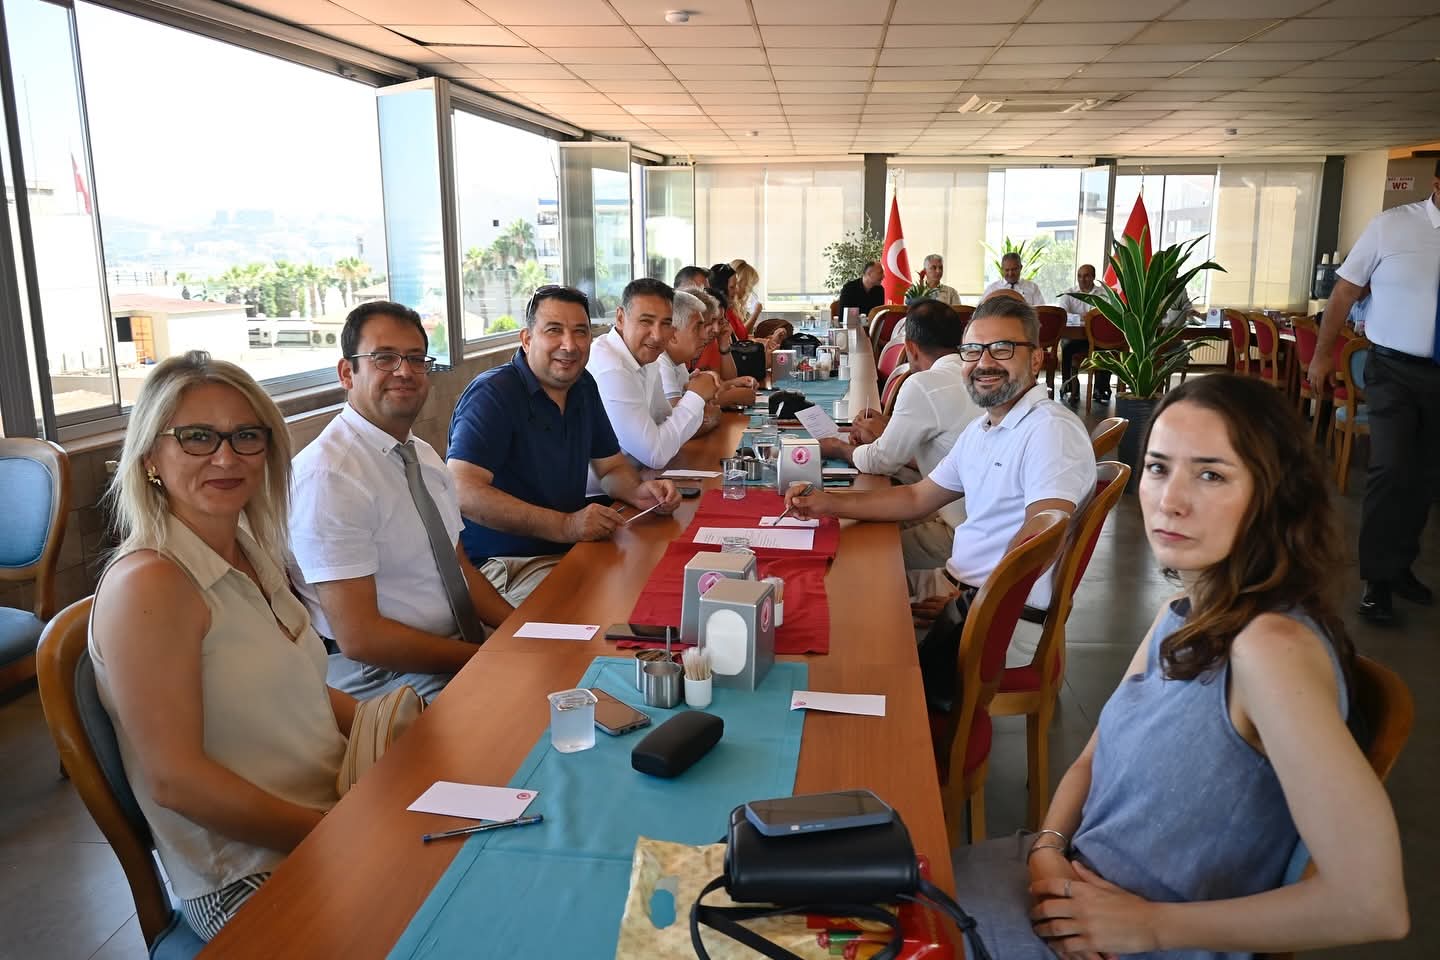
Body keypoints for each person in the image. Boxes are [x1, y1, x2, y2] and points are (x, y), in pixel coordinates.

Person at [951, 375, 1408, 959]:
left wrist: (1150, 925)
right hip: (1060, 882)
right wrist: (1046, 848)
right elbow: (1094, 756)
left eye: (1211, 475)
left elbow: (1372, 901)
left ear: (1276, 495)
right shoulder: (1182, 613)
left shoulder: (1271, 649)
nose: (1171, 500)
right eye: (1158, 468)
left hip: (1127, 941)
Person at [90, 351, 350, 941]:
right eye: (197, 437)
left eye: (245, 436)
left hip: (329, 809)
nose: (227, 458)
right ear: (150, 456)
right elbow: (176, 782)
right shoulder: (150, 586)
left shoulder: (247, 547)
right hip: (248, 873)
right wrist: (339, 836)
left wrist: (404, 731)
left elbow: (298, 686)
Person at [783, 297, 1094, 704]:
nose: (984, 363)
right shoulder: (985, 428)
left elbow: (1043, 532)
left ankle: (891, 733)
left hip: (996, 622)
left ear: (1036, 359)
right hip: (964, 592)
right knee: (832, 591)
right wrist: (826, 503)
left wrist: (972, 602)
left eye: (1002, 349)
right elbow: (917, 496)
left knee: (839, 628)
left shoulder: (1049, 430)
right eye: (973, 350)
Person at [288, 301, 513, 703]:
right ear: (347, 373)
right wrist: (487, 659)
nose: (404, 371)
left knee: (569, 671)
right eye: (384, 358)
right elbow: (362, 638)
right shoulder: (329, 477)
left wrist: (522, 633)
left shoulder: (420, 454)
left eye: (415, 358)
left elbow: (459, 567)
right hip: (385, 673)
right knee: (526, 715)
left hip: (457, 646)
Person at [446, 285, 681, 605]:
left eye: (580, 332)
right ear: (527, 339)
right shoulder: (493, 395)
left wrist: (640, 492)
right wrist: (567, 525)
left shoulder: (582, 386)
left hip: (570, 549)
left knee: (659, 584)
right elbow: (462, 490)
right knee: (609, 612)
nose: (569, 345)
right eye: (554, 330)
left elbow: (610, 467)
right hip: (506, 566)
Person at [1309, 160, 1440, 626]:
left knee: (1425, 477)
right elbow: (1344, 294)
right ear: (1437, 183)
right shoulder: (1392, 226)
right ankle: (1377, 581)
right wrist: (1322, 355)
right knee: (1391, 467)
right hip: (1394, 371)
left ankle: (1400, 567)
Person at [817, 299, 980, 571]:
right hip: (954, 507)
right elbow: (944, 442)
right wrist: (890, 426)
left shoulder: (924, 383)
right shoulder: (975, 375)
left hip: (959, 531)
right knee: (862, 521)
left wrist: (838, 448)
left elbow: (881, 461)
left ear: (911, 348)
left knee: (855, 549)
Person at [586, 279, 719, 494]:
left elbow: (665, 423)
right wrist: (695, 397)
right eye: (646, 321)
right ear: (620, 318)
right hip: (600, 498)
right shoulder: (610, 367)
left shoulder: (647, 357)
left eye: (666, 323)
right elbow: (656, 453)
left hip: (638, 484)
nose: (657, 335)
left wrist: (692, 399)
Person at [658, 289, 723, 438]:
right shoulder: (661, 362)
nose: (705, 335)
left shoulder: (678, 362)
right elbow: (679, 429)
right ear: (673, 334)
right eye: (698, 328)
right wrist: (712, 418)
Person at [1057, 264, 1111, 405]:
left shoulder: (1104, 294)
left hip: (1098, 338)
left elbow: (1106, 315)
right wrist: (1085, 317)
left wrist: (1084, 317)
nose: (1082, 279)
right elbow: (1063, 315)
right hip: (1076, 338)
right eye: (1079, 276)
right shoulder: (1069, 294)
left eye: (1086, 276)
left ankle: (1101, 390)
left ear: (1093, 277)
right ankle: (1068, 387)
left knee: (1107, 348)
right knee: (1067, 347)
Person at [730, 258, 763, 331]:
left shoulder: (738, 307)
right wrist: (756, 313)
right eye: (749, 285)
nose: (750, 290)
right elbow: (740, 334)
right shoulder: (727, 308)